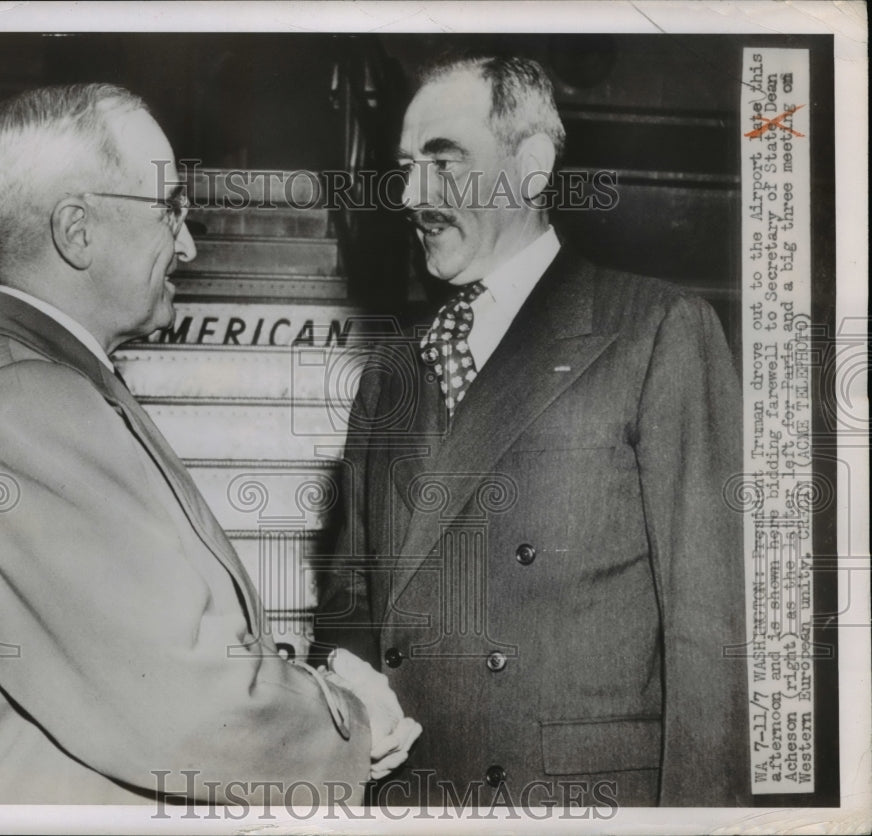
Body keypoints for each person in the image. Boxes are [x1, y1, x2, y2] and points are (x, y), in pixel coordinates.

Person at [0, 82, 419, 806]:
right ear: (77, 230)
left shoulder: (28, 379)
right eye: (169, 209)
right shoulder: (27, 405)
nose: (187, 242)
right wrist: (352, 717)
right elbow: (185, 704)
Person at [314, 55, 749, 807]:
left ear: (532, 167)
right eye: (406, 167)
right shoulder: (391, 370)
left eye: (444, 163)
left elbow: (713, 642)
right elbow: (351, 605)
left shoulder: (656, 331)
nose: (413, 195)